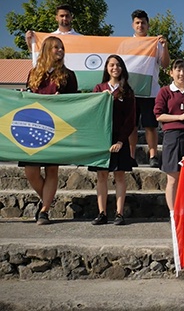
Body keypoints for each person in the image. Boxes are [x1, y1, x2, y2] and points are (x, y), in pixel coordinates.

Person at [19, 36, 78, 225]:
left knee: (52, 170)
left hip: (57, 128)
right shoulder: (34, 73)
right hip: (33, 128)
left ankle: (44, 211)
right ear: (46, 50)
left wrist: (62, 100)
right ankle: (45, 200)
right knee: (31, 172)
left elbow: (75, 103)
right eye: (55, 48)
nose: (60, 51)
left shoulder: (69, 75)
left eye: (61, 48)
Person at [89, 55, 136, 226]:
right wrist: (100, 99)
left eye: (118, 65)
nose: (114, 68)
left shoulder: (128, 91)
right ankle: (102, 213)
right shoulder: (99, 88)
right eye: (111, 65)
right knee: (101, 176)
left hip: (119, 141)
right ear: (106, 68)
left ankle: (119, 213)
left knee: (120, 176)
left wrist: (121, 141)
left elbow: (130, 120)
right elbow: (91, 113)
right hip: (102, 141)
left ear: (122, 68)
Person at [154, 59, 184, 213]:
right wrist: (180, 117)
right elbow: (159, 116)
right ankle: (173, 212)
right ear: (171, 72)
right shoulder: (165, 91)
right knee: (173, 178)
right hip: (172, 137)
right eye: (178, 70)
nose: (181, 74)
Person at [127, 9, 170, 168]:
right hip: (130, 91)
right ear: (133, 25)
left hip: (150, 91)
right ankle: (131, 156)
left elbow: (165, 64)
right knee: (131, 125)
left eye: (143, 23)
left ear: (148, 25)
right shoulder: (126, 44)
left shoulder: (156, 43)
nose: (140, 25)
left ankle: (153, 156)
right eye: (137, 23)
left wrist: (164, 47)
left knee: (150, 125)